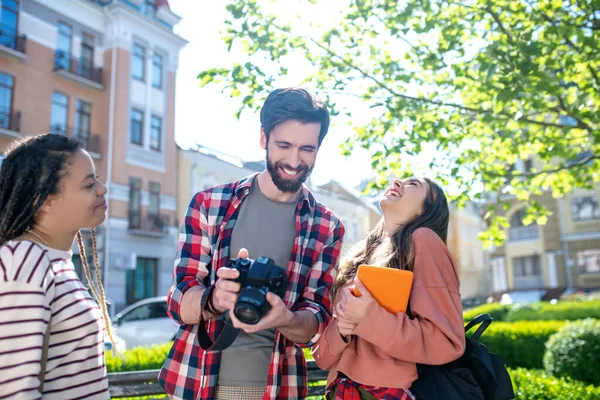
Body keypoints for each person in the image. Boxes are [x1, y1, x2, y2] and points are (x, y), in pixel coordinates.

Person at [158, 88, 345, 400]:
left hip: (276, 387)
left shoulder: (327, 227)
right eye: (284, 145)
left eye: (307, 149)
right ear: (263, 139)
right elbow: (179, 300)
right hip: (194, 381)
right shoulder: (209, 204)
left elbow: (315, 321)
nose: (295, 161)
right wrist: (215, 298)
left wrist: (286, 318)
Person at [312, 177, 465, 400]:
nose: (397, 181)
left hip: (388, 392)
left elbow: (445, 341)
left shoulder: (424, 240)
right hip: (342, 391)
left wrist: (366, 316)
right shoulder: (361, 256)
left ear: (426, 210)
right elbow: (322, 358)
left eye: (414, 184)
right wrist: (343, 327)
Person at [0, 133, 116, 399]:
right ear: (44, 201)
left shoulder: (55, 260)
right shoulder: (24, 259)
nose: (102, 188)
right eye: (88, 185)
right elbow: (16, 391)